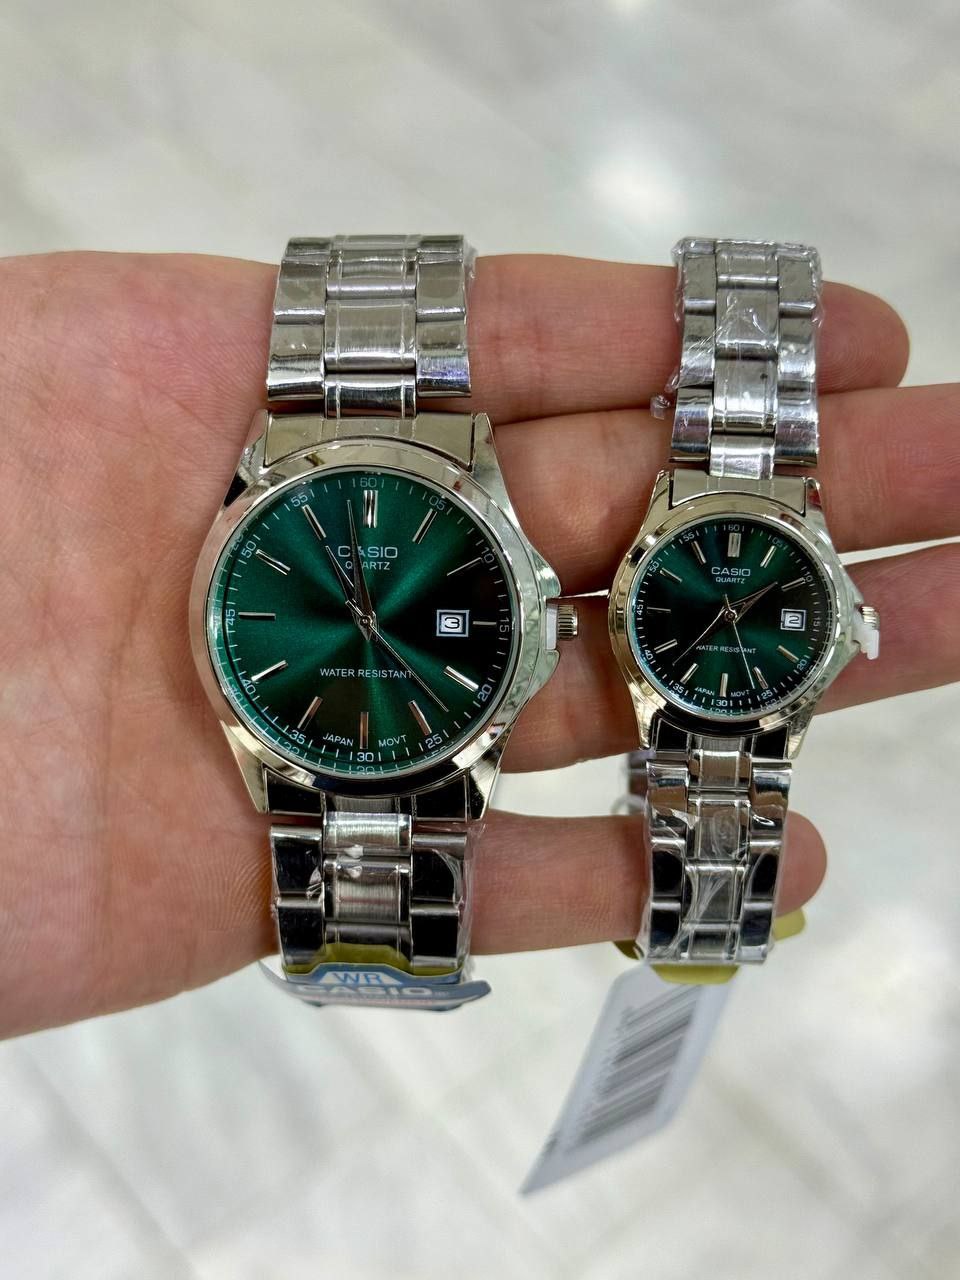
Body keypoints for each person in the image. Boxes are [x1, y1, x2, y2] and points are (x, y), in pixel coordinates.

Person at [0, 250, 955, 1040]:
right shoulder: (276, 575)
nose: (367, 621)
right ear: (543, 612)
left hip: (349, 703)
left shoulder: (412, 575)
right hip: (337, 718)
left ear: (541, 617)